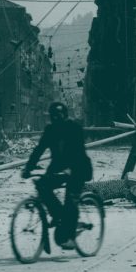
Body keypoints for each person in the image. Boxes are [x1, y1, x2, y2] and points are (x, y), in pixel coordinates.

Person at [21, 102, 93, 248]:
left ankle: (70, 237)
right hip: (58, 167)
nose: (56, 118)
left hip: (78, 168)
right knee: (42, 185)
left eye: (58, 115)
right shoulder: (50, 130)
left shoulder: (75, 128)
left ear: (65, 115)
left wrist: (70, 169)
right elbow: (39, 149)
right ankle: (59, 214)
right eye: (53, 116)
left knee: (71, 199)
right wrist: (28, 168)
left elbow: (78, 151)